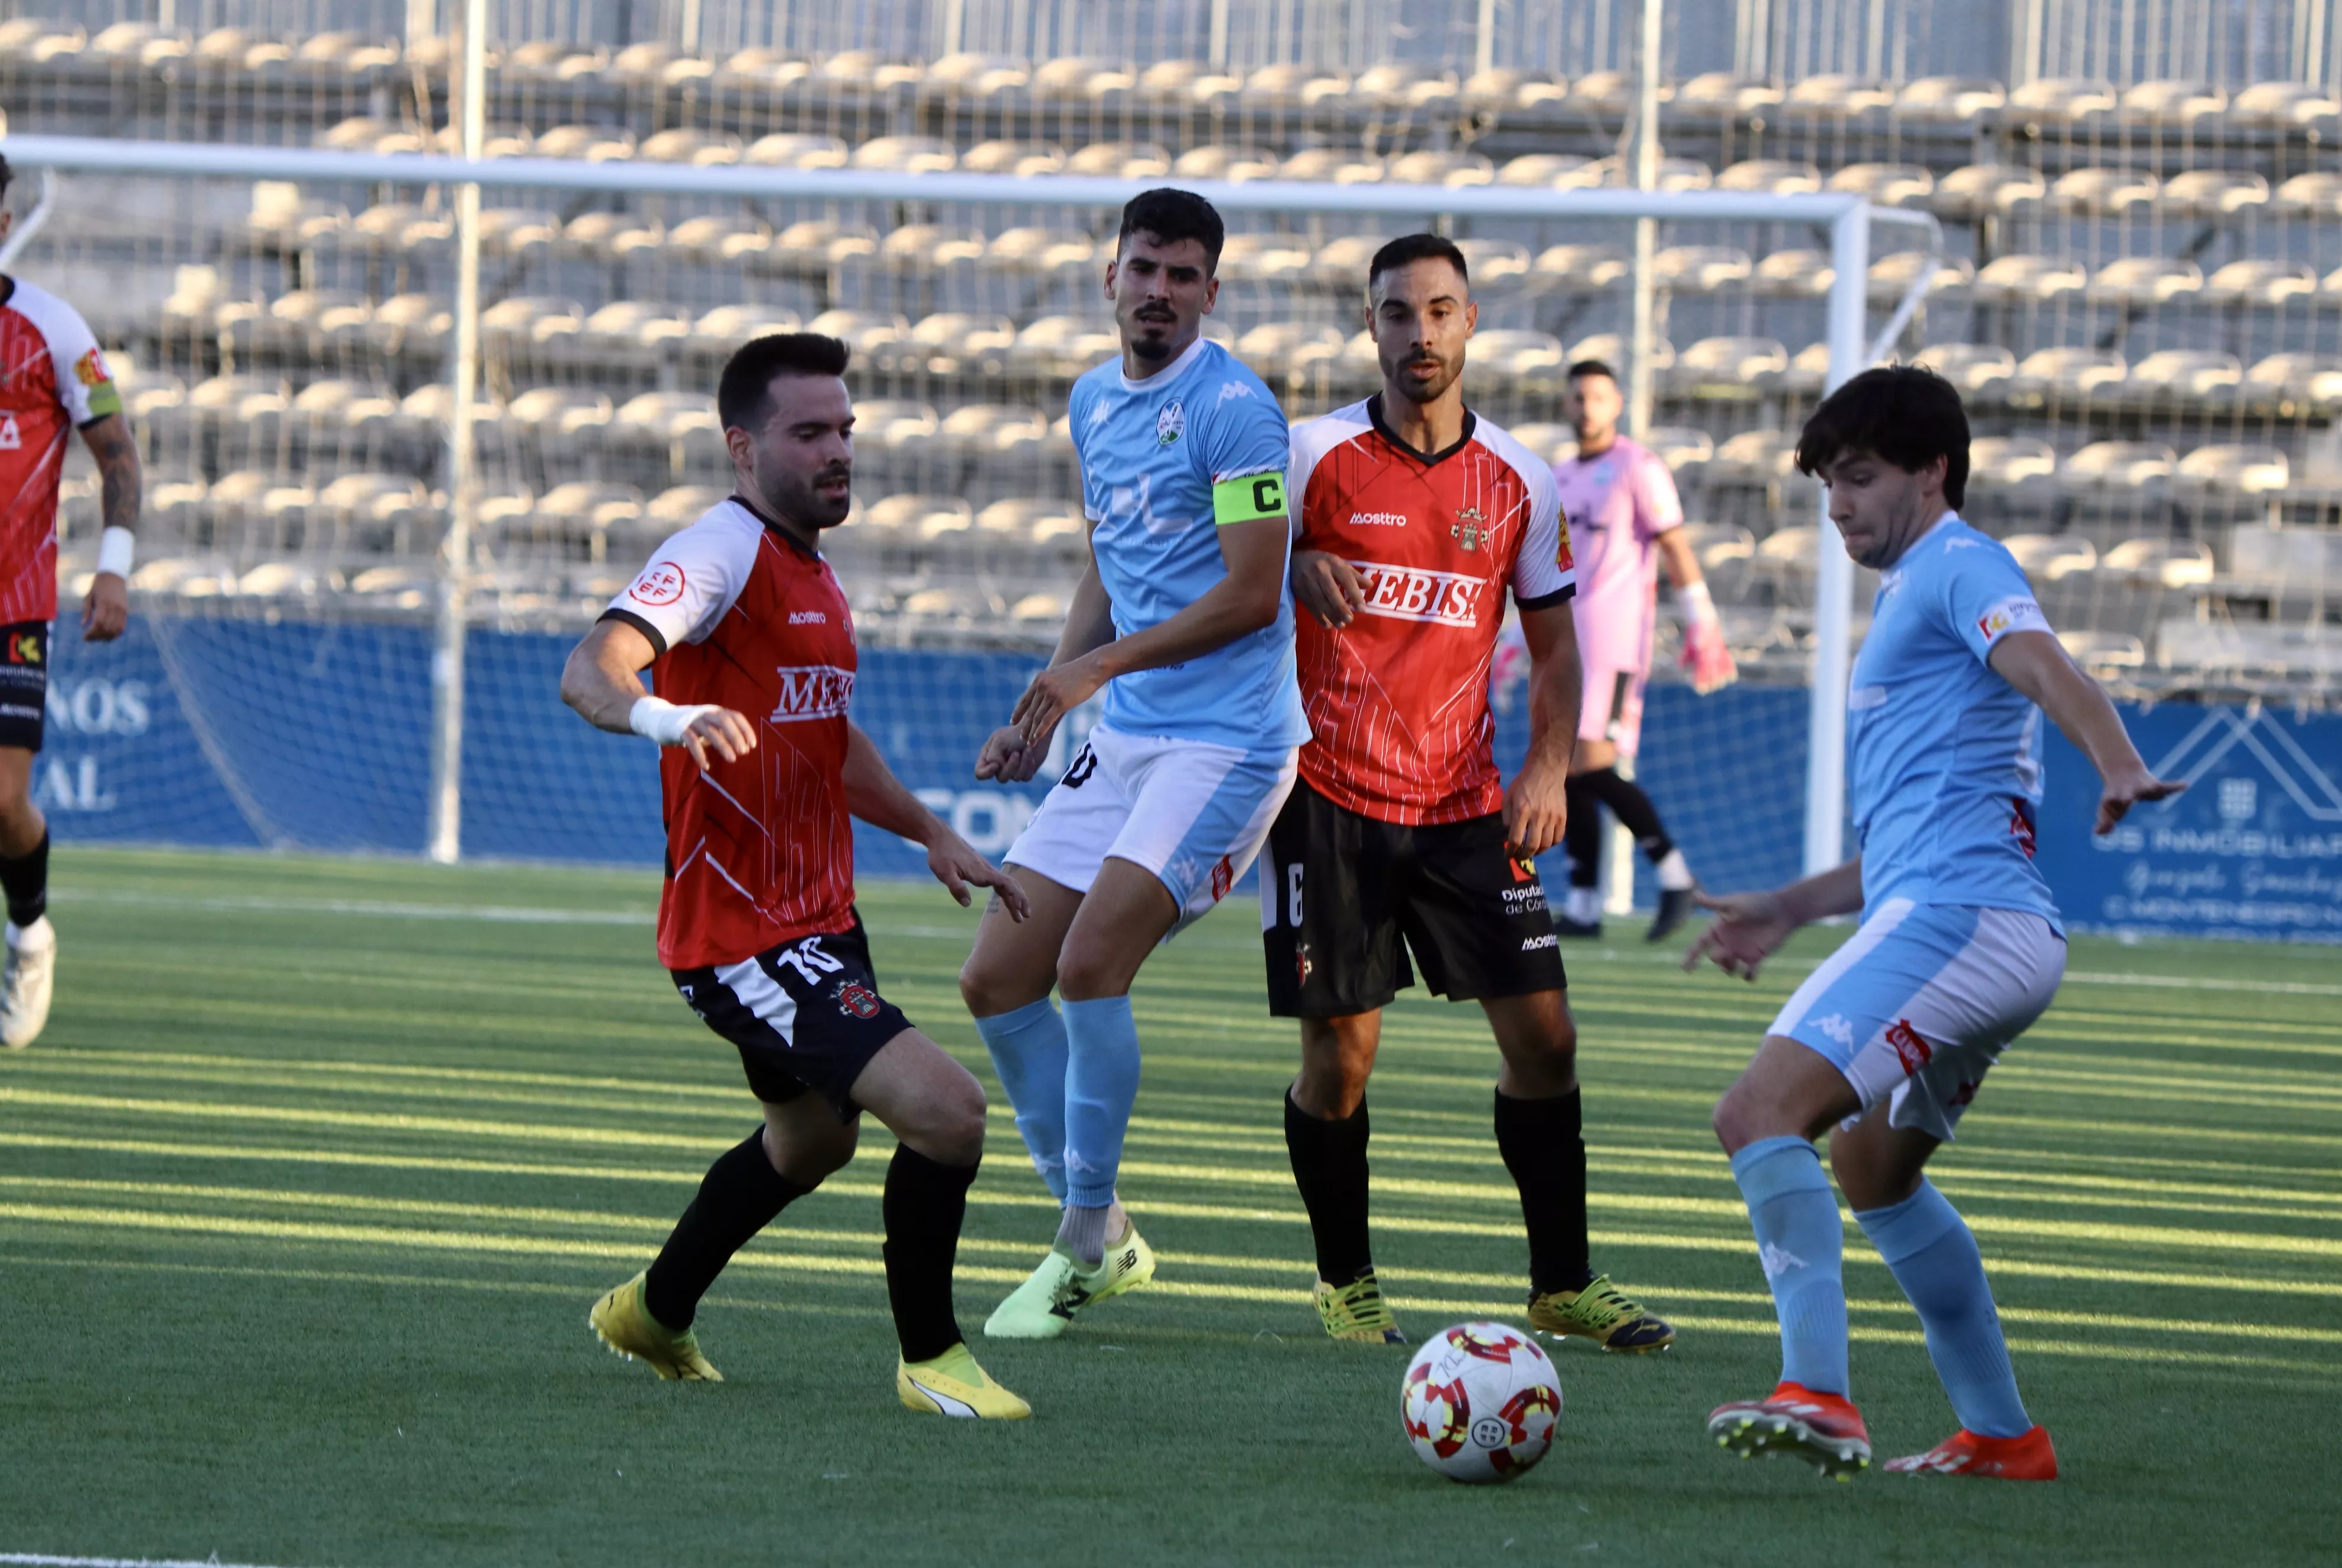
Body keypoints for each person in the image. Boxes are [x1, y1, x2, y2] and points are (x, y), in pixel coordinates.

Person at [1684, 367, 2181, 1479]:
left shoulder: (1958, 564)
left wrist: (2113, 761)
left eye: (1857, 478)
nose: (1837, 506)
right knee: (1871, 1173)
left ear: (1931, 472)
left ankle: (1816, 1390)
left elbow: (2043, 660)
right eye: (1826, 485)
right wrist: (1789, 904)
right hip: (1983, 923)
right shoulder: (1915, 590)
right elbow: (1914, 836)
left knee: (1757, 1112)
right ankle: (2002, 1435)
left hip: (1960, 920)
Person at [560, 332, 1033, 1419]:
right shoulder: (718, 551)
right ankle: (932, 1361)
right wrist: (669, 717)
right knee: (948, 1113)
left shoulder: (811, 572)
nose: (838, 453)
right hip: (745, 937)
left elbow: (823, 737)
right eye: (809, 433)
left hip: (816, 916)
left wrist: (928, 830)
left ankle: (654, 1310)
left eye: (846, 432)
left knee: (812, 1137)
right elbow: (590, 667)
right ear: (742, 446)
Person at [1275, 233, 1674, 1353]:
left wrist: (1549, 763)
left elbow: (1554, 652)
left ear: (1470, 320)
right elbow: (1223, 562)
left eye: (1439, 310)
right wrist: (1289, 565)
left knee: (1546, 1038)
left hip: (1464, 803)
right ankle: (1345, 1279)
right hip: (1329, 798)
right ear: (1371, 327)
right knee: (1340, 1058)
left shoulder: (1519, 480)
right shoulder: (1307, 453)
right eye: (1396, 313)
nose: (1419, 332)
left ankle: (1562, 1284)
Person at [955, 188, 1303, 1339]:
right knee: (997, 975)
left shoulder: (1238, 411)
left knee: (1092, 961)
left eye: (1183, 275)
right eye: (1143, 268)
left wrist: (1092, 671)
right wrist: (1054, 697)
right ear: (1110, 276)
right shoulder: (1094, 399)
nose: (1159, 290)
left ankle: (1080, 1236)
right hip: (1127, 730)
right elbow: (1108, 560)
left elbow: (1256, 594)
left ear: (1211, 292)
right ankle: (1100, 1225)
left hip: (1229, 739)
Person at [0, 152, 144, 1048]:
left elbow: (120, 456)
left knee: (1, 804)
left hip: (13, 607)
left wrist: (114, 566)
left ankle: (30, 932)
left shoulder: (51, 329)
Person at [1551, 361, 1732, 942]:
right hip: (1566, 638)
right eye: (1578, 396)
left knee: (1594, 763)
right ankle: (1582, 905)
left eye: (1598, 396)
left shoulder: (1638, 467)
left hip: (1615, 639)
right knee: (1572, 768)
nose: (1586, 406)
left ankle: (1676, 876)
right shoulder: (1558, 476)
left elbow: (1675, 545)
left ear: (1617, 403)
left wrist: (1701, 620)